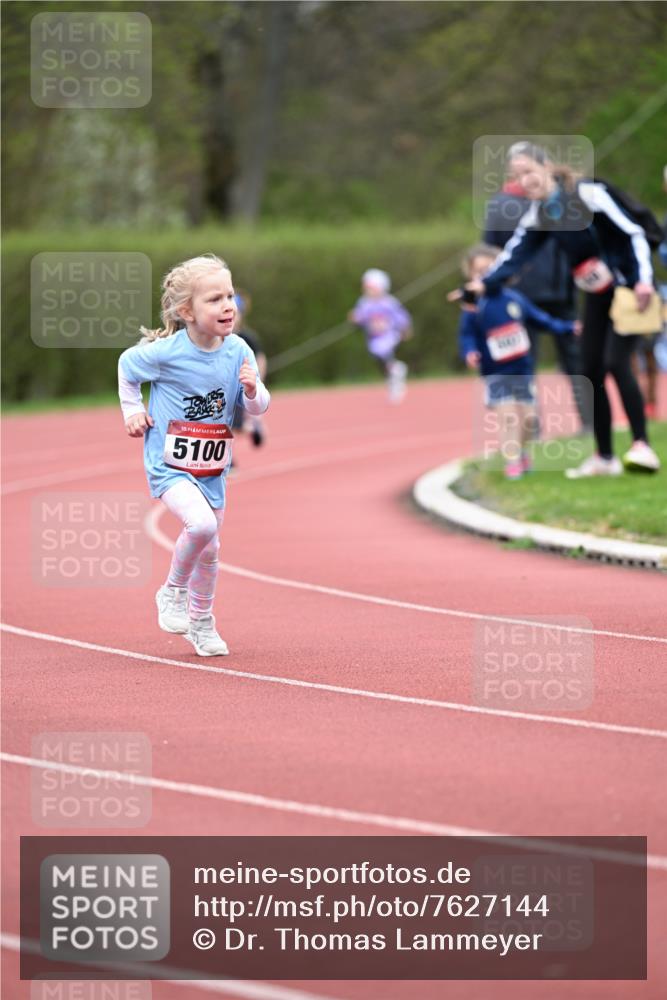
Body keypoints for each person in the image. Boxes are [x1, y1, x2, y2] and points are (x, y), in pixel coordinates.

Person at [467, 142, 660, 476]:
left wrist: (642, 280)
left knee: (616, 362)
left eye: (529, 171)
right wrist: (485, 283)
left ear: (546, 166)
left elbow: (635, 233)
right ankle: (604, 457)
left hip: (631, 290)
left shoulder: (587, 194)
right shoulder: (540, 214)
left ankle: (641, 446)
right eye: (517, 176)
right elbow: (514, 255)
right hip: (598, 297)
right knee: (589, 370)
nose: (525, 180)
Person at [118, 254, 270, 656]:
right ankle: (171, 592)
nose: (227, 306)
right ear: (186, 311)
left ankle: (201, 621)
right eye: (215, 298)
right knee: (201, 527)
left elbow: (258, 409)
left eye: (230, 295)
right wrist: (132, 410)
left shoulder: (238, 350)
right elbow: (127, 367)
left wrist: (254, 390)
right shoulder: (167, 352)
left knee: (212, 548)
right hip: (169, 465)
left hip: (211, 468)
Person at [454, 244, 578, 479]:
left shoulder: (515, 299)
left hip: (522, 370)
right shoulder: (473, 307)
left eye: (490, 269)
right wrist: (469, 352)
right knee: (508, 417)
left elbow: (542, 320)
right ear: (470, 276)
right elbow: (466, 334)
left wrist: (569, 328)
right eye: (478, 272)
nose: (485, 276)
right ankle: (512, 462)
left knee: (530, 419)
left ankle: (521, 452)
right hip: (496, 372)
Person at [484, 174, 591, 433]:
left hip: (557, 290)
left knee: (570, 359)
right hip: (526, 296)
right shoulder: (502, 205)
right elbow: (492, 250)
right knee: (527, 362)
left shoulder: (553, 201)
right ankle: (534, 426)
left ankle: (587, 422)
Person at [348, 269, 412, 402]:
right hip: (373, 338)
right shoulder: (364, 303)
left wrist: (405, 328)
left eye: (371, 288)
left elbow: (401, 316)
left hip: (389, 335)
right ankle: (393, 373)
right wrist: (355, 318)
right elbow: (361, 316)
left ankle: (395, 369)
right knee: (379, 358)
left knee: (383, 351)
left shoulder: (389, 302)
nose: (368, 291)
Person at [230, 290, 267, 449]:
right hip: (223, 385)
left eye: (236, 313)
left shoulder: (247, 338)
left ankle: (252, 427)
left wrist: (257, 380)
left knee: (235, 425)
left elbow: (260, 358)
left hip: (240, 386)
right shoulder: (214, 337)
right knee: (224, 423)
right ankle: (252, 428)